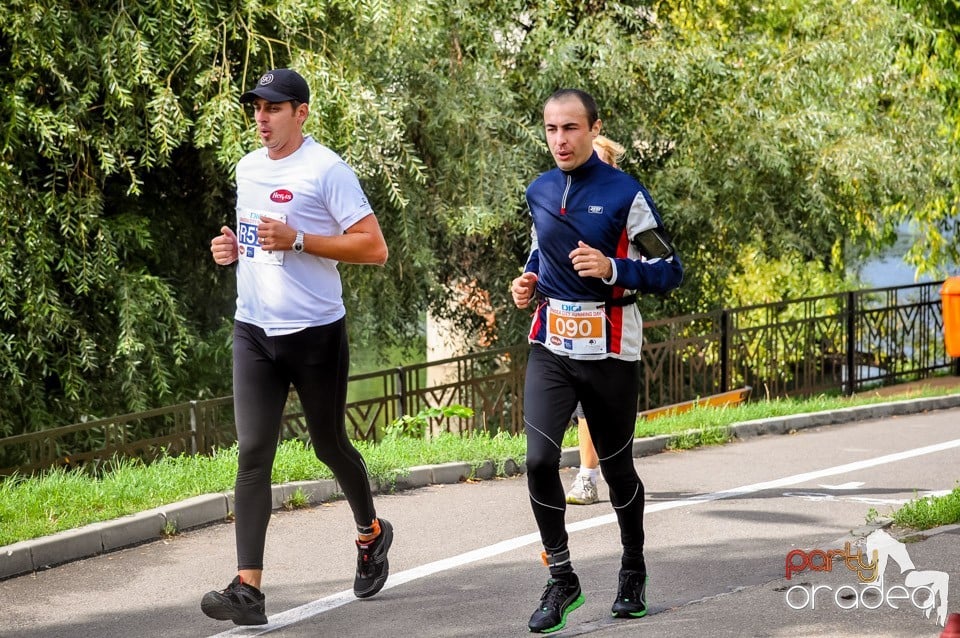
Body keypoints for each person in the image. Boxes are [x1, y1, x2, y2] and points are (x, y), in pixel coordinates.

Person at [201, 68, 393, 626]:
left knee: (329, 445)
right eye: (256, 107)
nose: (261, 117)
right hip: (254, 331)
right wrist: (232, 249)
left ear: (301, 113)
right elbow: (259, 241)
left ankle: (371, 533)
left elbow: (374, 248)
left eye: (274, 108)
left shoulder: (327, 170)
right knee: (253, 452)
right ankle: (248, 590)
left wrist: (302, 240)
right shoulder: (248, 167)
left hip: (315, 334)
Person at [511, 89, 683, 633]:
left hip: (610, 350)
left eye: (570, 128)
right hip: (551, 344)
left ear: (592, 129)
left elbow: (669, 269)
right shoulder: (539, 189)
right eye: (550, 129)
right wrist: (529, 281)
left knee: (615, 470)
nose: (559, 139)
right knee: (539, 460)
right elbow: (542, 249)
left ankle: (632, 567)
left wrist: (612, 267)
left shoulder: (625, 193)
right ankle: (562, 578)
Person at [564, 134, 627, 507]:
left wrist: (612, 269)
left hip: (611, 322)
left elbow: (656, 263)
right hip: (566, 323)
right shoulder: (560, 205)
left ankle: (593, 475)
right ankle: (587, 473)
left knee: (597, 406)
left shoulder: (625, 206)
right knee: (581, 405)